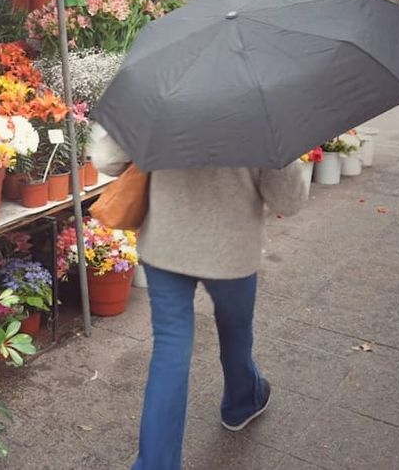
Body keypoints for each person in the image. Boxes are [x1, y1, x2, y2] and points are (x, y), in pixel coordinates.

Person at [90, 125, 308, 470]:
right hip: (232, 251)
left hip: (166, 243)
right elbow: (289, 200)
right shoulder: (259, 109)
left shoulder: (160, 95)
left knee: (170, 349)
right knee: (236, 328)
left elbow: (108, 160)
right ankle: (241, 402)